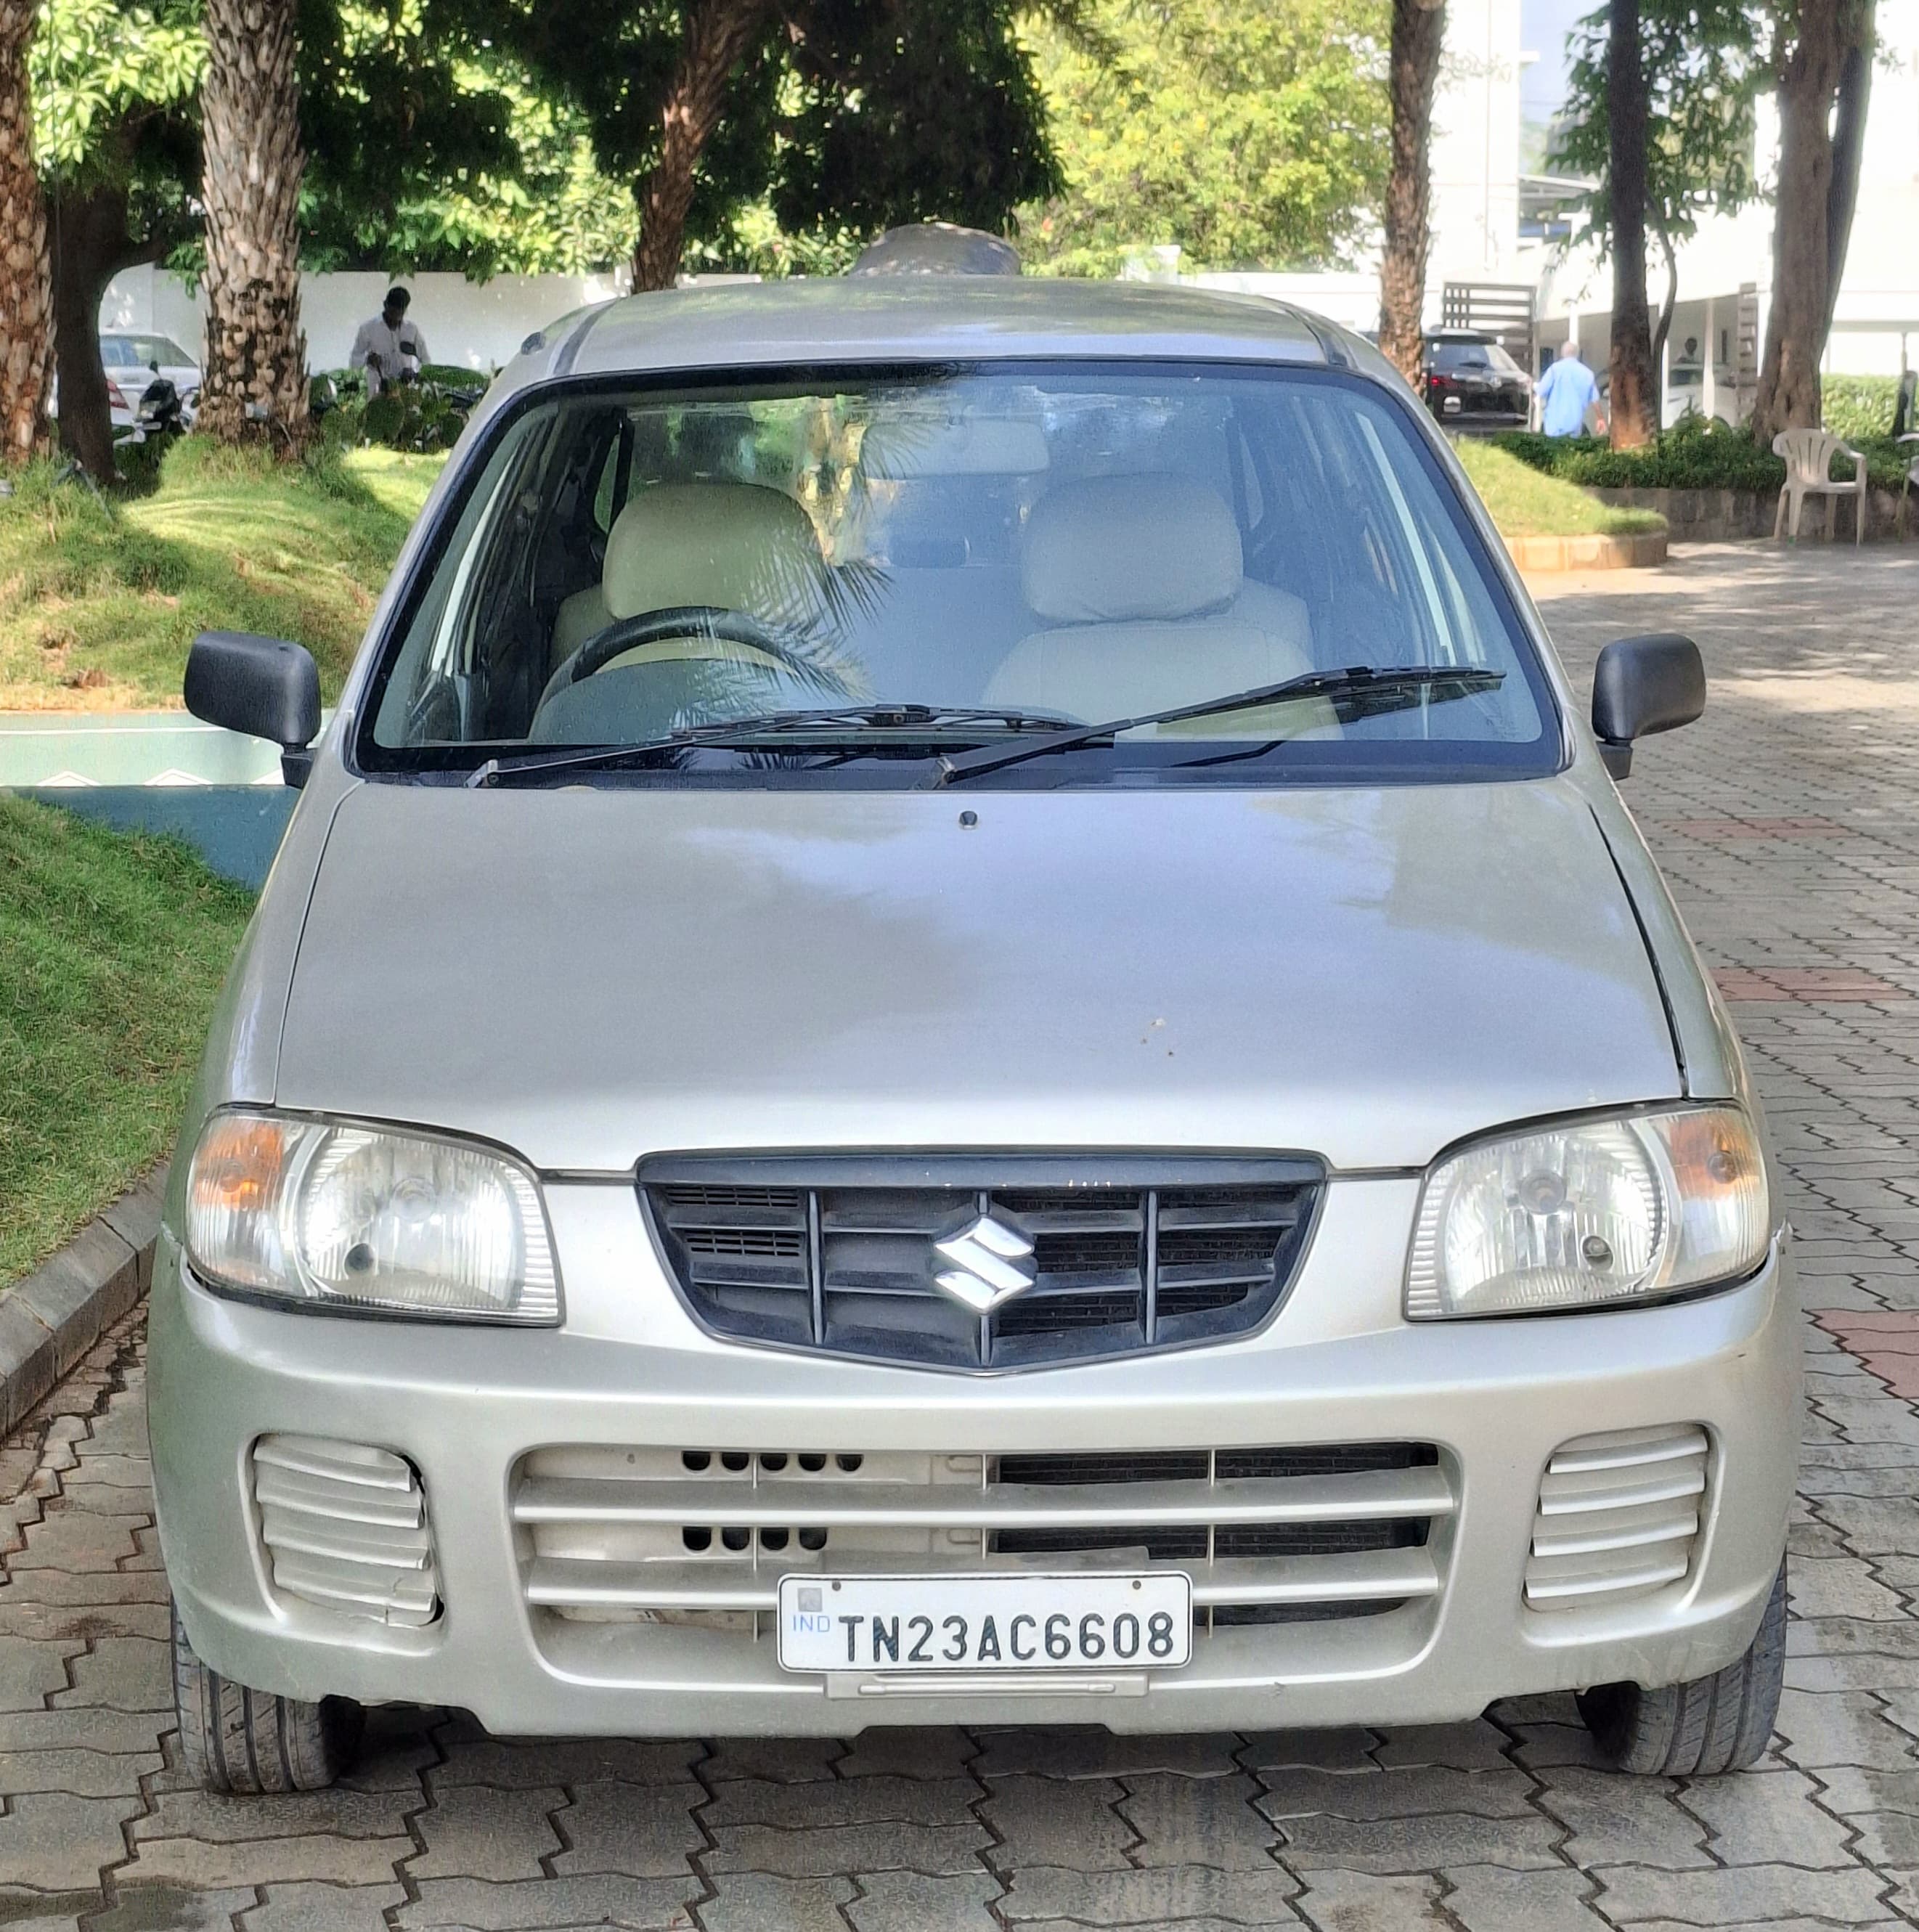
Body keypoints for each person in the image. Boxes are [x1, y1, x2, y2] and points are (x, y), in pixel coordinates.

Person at [349, 288, 430, 398]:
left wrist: (414, 373)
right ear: (385, 305)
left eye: (399, 315)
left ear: (404, 311)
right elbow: (355, 358)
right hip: (377, 392)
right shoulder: (367, 329)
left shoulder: (412, 330)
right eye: (391, 314)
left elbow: (425, 360)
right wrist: (368, 360)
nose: (394, 320)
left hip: (406, 393)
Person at [1536, 338, 1605, 439]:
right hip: (1575, 426)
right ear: (1577, 354)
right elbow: (1595, 400)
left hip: (1554, 426)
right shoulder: (1587, 373)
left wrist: (1533, 385)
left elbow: (1541, 391)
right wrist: (1600, 418)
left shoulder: (1554, 370)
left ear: (1562, 353)